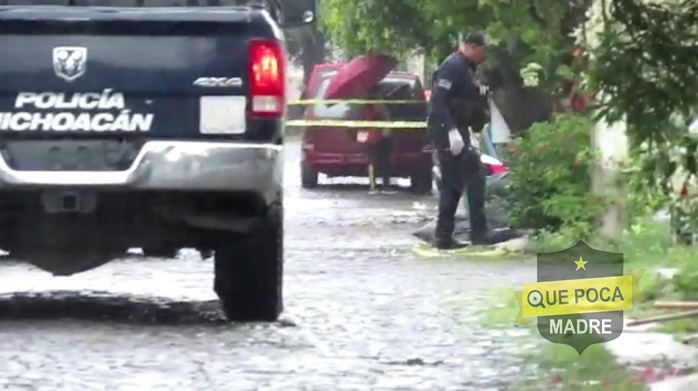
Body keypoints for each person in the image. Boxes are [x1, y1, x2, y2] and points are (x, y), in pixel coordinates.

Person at [427, 32, 512, 249]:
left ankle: (446, 236)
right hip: (448, 132)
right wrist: (451, 131)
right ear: (471, 47)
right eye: (482, 51)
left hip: (459, 131)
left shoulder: (465, 68)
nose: (484, 56)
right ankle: (475, 232)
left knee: (457, 182)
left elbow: (467, 97)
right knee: (468, 177)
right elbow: (438, 101)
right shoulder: (452, 67)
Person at [356, 86, 393, 190]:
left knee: (383, 161)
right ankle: (376, 184)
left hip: (380, 137)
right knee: (375, 161)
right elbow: (365, 122)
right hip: (375, 137)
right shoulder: (369, 107)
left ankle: (382, 184)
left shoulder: (381, 105)